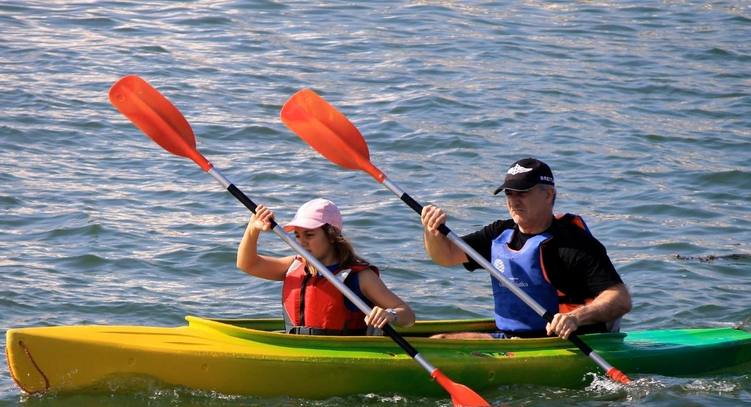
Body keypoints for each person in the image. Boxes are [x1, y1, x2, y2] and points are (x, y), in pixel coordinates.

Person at [420, 158, 632, 340]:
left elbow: (620, 299)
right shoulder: (499, 233)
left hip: (567, 340)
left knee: (443, 340)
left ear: (548, 195)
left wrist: (575, 318)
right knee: (440, 339)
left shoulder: (574, 244)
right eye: (509, 194)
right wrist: (431, 231)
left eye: (522, 193)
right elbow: (445, 256)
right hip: (513, 337)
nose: (514, 201)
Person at [237, 198, 416, 335]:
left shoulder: (359, 277)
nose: (302, 242)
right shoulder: (293, 266)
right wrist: (253, 229)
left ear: (331, 235)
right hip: (297, 347)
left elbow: (408, 316)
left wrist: (390, 314)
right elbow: (247, 264)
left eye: (309, 234)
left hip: (342, 354)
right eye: (298, 236)